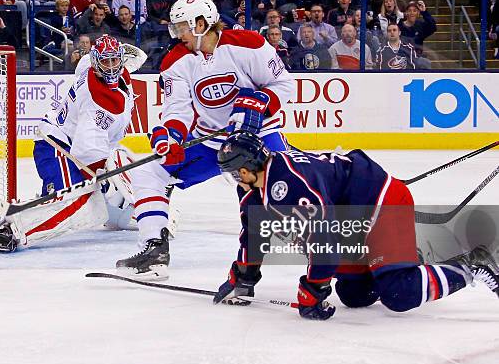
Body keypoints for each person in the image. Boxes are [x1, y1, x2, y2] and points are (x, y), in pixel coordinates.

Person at [213, 131, 499, 319]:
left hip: (380, 202)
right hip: (353, 217)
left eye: (232, 174)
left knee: (400, 294)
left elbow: (325, 242)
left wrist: (314, 288)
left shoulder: (288, 185)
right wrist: (243, 277)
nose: (233, 180)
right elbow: (253, 232)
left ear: (245, 170)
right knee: (355, 294)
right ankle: (399, 262)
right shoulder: (253, 187)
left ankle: (470, 264)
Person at [116, 0, 296, 279]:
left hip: (258, 137)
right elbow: (177, 109)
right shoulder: (175, 60)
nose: (177, 34)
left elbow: (284, 84)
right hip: (210, 141)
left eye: (182, 27)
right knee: (149, 171)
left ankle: (336, 249)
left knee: (292, 190)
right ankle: (154, 248)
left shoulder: (247, 44)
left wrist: (257, 103)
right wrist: (170, 136)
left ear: (201, 23)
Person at [0, 35, 138, 251]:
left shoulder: (89, 66)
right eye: (106, 61)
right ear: (97, 62)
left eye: (115, 60)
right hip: (57, 148)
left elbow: (101, 63)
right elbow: (87, 152)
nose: (112, 67)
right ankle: (13, 231)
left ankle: (41, 203)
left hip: (64, 146)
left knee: (78, 196)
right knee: (80, 203)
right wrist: (101, 180)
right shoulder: (97, 103)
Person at [398, 0, 436, 68]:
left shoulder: (420, 26)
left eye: (414, 11)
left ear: (418, 13)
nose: (412, 13)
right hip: (402, 58)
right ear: (406, 13)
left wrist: (424, 12)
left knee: (426, 63)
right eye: (409, 10)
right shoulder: (399, 26)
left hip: (417, 58)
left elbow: (433, 27)